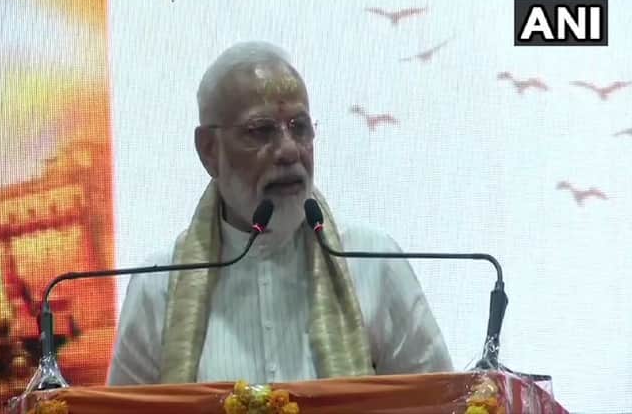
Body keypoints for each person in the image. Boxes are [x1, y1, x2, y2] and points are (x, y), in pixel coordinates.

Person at [108, 42, 452, 385]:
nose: (289, 150)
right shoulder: (158, 286)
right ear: (209, 150)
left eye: (299, 127)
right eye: (261, 131)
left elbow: (443, 402)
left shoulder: (372, 261)